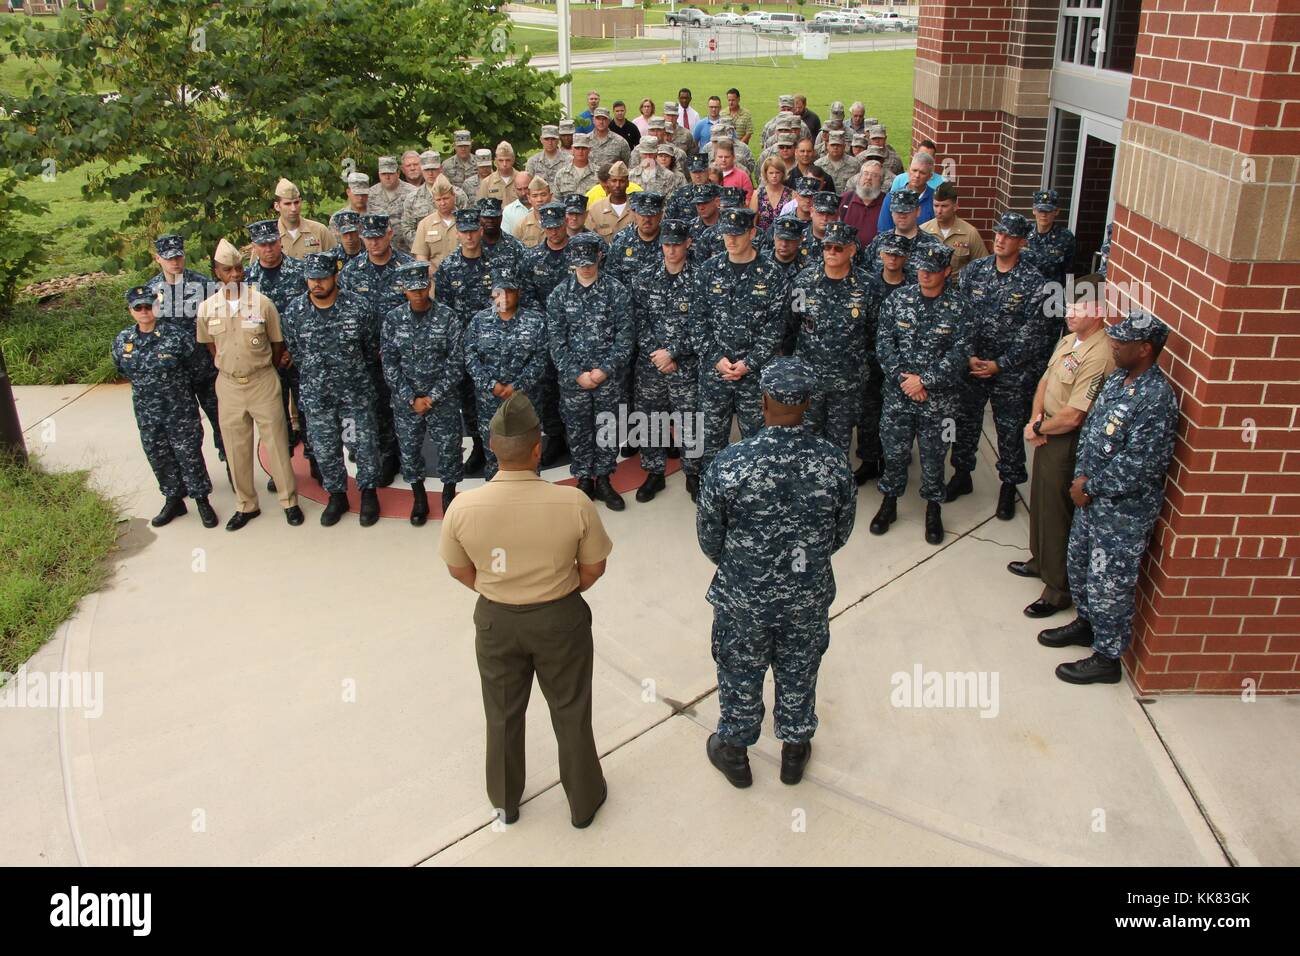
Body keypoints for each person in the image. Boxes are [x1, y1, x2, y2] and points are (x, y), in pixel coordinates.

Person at [438, 392, 612, 829]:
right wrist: (560, 589)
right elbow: (593, 568)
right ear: (539, 449)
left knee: (501, 715)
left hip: (497, 621)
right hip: (560, 620)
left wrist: (500, 588)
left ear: (492, 447)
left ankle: (505, 802)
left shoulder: (462, 507)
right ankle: (583, 803)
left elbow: (459, 571)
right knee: (571, 712)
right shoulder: (573, 503)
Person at [697, 357, 856, 788]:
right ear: (807, 402)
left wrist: (747, 567)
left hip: (745, 597)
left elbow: (710, 537)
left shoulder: (731, 463)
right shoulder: (833, 462)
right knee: (799, 670)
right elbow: (841, 533)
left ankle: (735, 753)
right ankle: (794, 751)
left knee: (740, 670)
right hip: (806, 597)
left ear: (763, 401)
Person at [1039, 310, 1179, 685]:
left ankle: (1106, 657)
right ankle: (1086, 625)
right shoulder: (1118, 379)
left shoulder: (1156, 399)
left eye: (1123, 342)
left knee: (1110, 583)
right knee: (1082, 567)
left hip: (1121, 514)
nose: (1114, 345)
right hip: (1090, 501)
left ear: (1145, 349)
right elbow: (1092, 434)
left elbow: (1140, 465)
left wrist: (1089, 487)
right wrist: (1081, 478)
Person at [1012, 275, 1116, 618]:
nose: (1069, 312)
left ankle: (1057, 588)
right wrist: (1035, 420)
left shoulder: (1100, 354)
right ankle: (1041, 559)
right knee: (1041, 501)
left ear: (1099, 310)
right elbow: (1045, 380)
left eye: (1079, 306)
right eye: (1069, 304)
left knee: (1058, 512)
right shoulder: (1070, 340)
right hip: (1047, 429)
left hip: (1066, 439)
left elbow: (1074, 416)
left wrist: (1040, 427)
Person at [947, 212, 1053, 521]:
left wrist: (1000, 364)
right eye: (998, 233)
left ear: (1022, 241)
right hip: (973, 365)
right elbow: (959, 316)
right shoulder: (974, 272)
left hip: (1010, 371)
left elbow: (1035, 333)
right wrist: (967, 355)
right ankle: (962, 474)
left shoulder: (1035, 282)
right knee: (965, 424)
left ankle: (1009, 485)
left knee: (1009, 429)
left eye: (1009, 236)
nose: (1001, 239)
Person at [195, 238, 302, 530]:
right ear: (217, 271)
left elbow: (277, 343)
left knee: (277, 444)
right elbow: (210, 346)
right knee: (235, 447)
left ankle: (289, 501)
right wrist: (229, 366)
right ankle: (246, 504)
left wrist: (262, 364)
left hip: (262, 380)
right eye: (228, 270)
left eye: (239, 268)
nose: (235, 274)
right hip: (228, 385)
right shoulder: (207, 309)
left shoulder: (261, 303)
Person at [870, 244, 972, 546]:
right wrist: (905, 380)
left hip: (937, 400)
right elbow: (884, 343)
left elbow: (960, 353)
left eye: (932, 269)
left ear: (947, 272)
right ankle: (890, 502)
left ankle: (933, 508)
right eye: (921, 268)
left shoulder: (960, 307)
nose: (924, 274)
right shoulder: (898, 299)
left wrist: (924, 381)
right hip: (899, 396)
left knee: (934, 457)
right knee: (894, 452)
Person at [281, 253, 384, 527]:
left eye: (322, 278)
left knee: (362, 445)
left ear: (334, 277)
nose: (317, 283)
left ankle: (368, 493)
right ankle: (337, 496)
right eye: (312, 278)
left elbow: (371, 348)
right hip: (318, 397)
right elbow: (296, 352)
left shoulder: (358, 306)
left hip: (353, 394)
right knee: (326, 449)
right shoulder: (294, 311)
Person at [695, 207, 791, 476]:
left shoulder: (772, 274)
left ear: (752, 233)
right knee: (712, 439)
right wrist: (716, 359)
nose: (731, 240)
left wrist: (749, 363)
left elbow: (775, 328)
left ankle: (753, 491)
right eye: (726, 234)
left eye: (738, 234)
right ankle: (712, 489)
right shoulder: (708, 271)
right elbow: (697, 321)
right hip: (716, 373)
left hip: (755, 375)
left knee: (757, 441)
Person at [114, 285, 217, 529]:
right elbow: (121, 369)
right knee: (157, 455)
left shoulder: (177, 336)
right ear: (130, 311)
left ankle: (202, 500)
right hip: (147, 412)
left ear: (156, 307)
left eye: (148, 306)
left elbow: (198, 370)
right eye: (138, 307)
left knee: (189, 455)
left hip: (178, 410)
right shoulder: (122, 341)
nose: (144, 311)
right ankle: (173, 499)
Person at [546, 232, 633, 510]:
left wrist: (603, 371)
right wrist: (577, 374)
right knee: (578, 430)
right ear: (572, 260)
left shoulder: (616, 291)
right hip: (574, 381)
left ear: (599, 257)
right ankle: (583, 479)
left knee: (607, 428)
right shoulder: (559, 295)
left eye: (590, 260)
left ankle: (605, 479)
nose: (585, 266)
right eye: (579, 261)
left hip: (608, 379)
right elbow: (556, 342)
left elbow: (625, 337)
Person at [382, 261, 465, 521]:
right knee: (409, 449)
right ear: (403, 290)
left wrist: (432, 396)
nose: (418, 294)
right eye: (412, 289)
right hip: (407, 401)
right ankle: (418, 497)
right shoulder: (393, 319)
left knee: (449, 449)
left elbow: (456, 361)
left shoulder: (448, 317)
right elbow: (389, 362)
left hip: (442, 399)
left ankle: (448, 493)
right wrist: (411, 397)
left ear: (429, 285)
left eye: (422, 288)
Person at [628, 218, 701, 503]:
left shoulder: (700, 278)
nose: (671, 250)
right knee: (651, 420)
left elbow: (702, 323)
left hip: (686, 364)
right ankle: (654, 473)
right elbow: (638, 321)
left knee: (689, 420)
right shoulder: (644, 278)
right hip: (651, 366)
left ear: (688, 243)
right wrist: (658, 354)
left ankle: (693, 473)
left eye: (676, 244)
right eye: (666, 244)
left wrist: (673, 352)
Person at [463, 262, 549, 481]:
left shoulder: (535, 321)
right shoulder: (479, 321)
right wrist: (492, 384)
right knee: (494, 453)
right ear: (492, 294)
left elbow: (541, 358)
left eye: (509, 291)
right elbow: (469, 356)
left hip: (524, 401)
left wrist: (515, 386)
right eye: (499, 292)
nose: (504, 297)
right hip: (489, 401)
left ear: (518, 292)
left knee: (529, 451)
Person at [793, 222, 871, 458]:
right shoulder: (804, 282)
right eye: (827, 247)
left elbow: (875, 331)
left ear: (851, 250)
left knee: (839, 444)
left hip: (846, 382)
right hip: (810, 379)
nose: (831, 253)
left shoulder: (868, 286)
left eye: (838, 248)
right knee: (807, 442)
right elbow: (792, 323)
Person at [144, 233, 223, 462]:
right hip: (175, 375)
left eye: (178, 256)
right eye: (169, 258)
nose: (175, 262)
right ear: (158, 259)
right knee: (186, 429)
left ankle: (229, 461)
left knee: (221, 419)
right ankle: (195, 473)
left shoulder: (204, 285)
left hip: (206, 367)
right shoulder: (150, 292)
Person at [434, 209, 495, 477]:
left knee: (491, 402)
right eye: (465, 231)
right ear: (457, 233)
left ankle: (495, 450)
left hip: (492, 347)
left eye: (474, 230)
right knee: (469, 402)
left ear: (481, 231)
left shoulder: (496, 263)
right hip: (462, 347)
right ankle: (479, 446)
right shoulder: (447, 268)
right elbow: (445, 313)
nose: (470, 236)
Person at [519, 201, 573, 467]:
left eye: (557, 225)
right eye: (547, 226)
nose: (553, 231)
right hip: (545, 336)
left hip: (577, 336)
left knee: (574, 389)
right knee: (548, 390)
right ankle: (555, 435)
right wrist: (549, 326)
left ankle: (578, 437)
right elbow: (527, 298)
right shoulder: (531, 258)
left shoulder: (580, 253)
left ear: (566, 222)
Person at [921, 182, 988, 274]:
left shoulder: (969, 233)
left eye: (944, 206)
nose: (939, 211)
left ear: (955, 207)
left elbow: (983, 266)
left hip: (957, 285)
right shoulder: (924, 231)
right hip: (930, 284)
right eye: (936, 206)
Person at [1024, 188, 1078, 287]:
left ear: (1056, 211)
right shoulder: (1024, 234)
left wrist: (1069, 298)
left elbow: (1070, 272)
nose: (1044, 215)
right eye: (1040, 210)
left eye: (1048, 211)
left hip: (1052, 295)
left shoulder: (1065, 238)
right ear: (1034, 210)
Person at [273, 178, 337, 259]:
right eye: (287, 204)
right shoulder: (269, 236)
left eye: (296, 203)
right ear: (277, 206)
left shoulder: (319, 231)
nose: (293, 208)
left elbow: (336, 261)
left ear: (301, 202)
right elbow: (255, 269)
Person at [410, 175, 462, 269]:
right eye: (438, 200)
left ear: (453, 196)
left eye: (445, 198)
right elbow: (421, 257)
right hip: (436, 279)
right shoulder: (425, 224)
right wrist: (437, 275)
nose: (442, 203)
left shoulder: (466, 220)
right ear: (433, 200)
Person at [877, 152, 937, 232]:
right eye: (914, 170)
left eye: (922, 172)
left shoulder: (935, 199)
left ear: (930, 176)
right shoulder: (891, 198)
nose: (917, 175)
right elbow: (883, 231)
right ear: (908, 170)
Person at [838, 159, 886, 248]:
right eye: (866, 173)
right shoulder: (845, 199)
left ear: (881, 181)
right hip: (847, 256)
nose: (868, 178)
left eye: (874, 175)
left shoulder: (886, 203)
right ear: (859, 177)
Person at [749, 156, 792, 233]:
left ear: (783, 173)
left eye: (777, 172)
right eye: (771, 173)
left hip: (784, 240)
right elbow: (752, 222)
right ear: (766, 174)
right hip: (762, 240)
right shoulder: (757, 194)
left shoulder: (791, 194)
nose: (774, 176)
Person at [441, 130, 479, 195]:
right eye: (460, 146)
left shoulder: (479, 163)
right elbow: (443, 187)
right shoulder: (447, 165)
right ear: (454, 146)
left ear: (470, 145)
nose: (463, 149)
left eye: (466, 145)